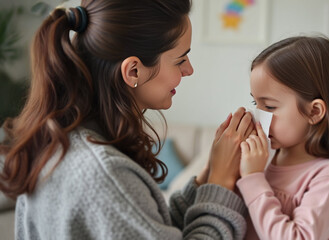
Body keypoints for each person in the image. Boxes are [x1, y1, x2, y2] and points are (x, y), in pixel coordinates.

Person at [0, 0, 254, 239]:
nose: (189, 69)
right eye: (180, 60)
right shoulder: (104, 174)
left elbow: (148, 225)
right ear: (133, 70)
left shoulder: (64, 140)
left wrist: (208, 174)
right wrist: (221, 183)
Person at [236, 36, 329, 240]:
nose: (258, 118)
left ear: (314, 112)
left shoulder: (328, 177)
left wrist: (253, 179)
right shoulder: (264, 159)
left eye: (269, 106)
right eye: (256, 104)